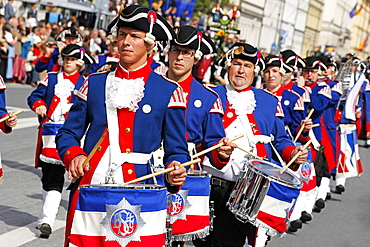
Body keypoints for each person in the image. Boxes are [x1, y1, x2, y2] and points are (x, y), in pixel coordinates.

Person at [55, 5, 189, 246]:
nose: (126, 42)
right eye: (122, 34)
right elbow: (67, 133)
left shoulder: (168, 91)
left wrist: (176, 167)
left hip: (140, 189)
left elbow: (176, 149)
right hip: (92, 185)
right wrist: (74, 155)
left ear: (150, 44)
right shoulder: (93, 84)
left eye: (135, 37)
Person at [195, 43, 308, 247]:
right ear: (228, 66)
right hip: (209, 184)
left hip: (246, 189)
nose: (241, 70)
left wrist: (293, 153)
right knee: (203, 243)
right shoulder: (209, 95)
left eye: (247, 66)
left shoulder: (269, 102)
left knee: (228, 243)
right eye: (237, 64)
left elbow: (281, 140)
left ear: (254, 71)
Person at [164, 25, 234, 245]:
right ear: (168, 52)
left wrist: (221, 152)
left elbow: (213, 140)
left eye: (187, 53)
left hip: (184, 171)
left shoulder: (208, 97)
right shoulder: (149, 86)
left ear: (195, 58)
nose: (179, 57)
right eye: (176, 50)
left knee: (175, 236)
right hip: (149, 167)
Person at [27, 44, 94, 238]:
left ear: (79, 62)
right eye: (65, 59)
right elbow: (35, 96)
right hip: (50, 135)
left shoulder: (85, 82)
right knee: (51, 177)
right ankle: (47, 219)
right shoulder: (52, 77)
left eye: (72, 60)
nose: (68, 63)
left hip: (75, 138)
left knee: (74, 179)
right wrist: (39, 105)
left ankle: (67, 221)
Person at [301, 56, 332, 212]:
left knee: (311, 171)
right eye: (306, 71)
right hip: (296, 133)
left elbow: (319, 105)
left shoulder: (323, 88)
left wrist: (305, 91)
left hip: (313, 136)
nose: (309, 75)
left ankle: (306, 208)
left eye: (312, 72)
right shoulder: (295, 86)